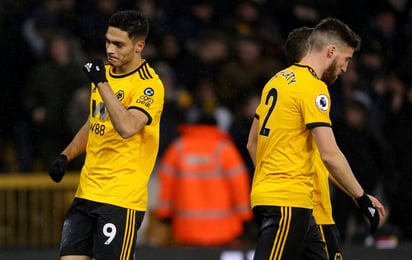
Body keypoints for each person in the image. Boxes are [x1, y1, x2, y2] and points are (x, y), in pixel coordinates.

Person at [246, 17, 385, 260]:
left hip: (280, 198)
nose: (345, 68)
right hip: (289, 200)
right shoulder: (312, 87)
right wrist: (362, 199)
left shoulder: (276, 81)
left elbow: (252, 143)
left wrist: (269, 178)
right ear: (331, 51)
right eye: (346, 60)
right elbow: (330, 154)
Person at [48, 10, 164, 260]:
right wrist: (65, 156)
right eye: (108, 41)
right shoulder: (107, 74)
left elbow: (128, 127)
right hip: (87, 192)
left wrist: (102, 83)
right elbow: (95, 121)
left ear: (138, 46)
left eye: (119, 44)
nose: (110, 49)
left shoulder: (149, 85)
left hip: (120, 199)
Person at [156, 112, 253, 246]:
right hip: (222, 230)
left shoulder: (178, 148)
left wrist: (165, 215)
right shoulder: (225, 150)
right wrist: (245, 216)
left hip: (186, 229)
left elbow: (166, 184)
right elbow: (239, 184)